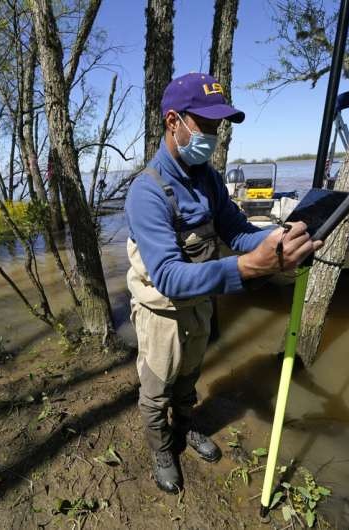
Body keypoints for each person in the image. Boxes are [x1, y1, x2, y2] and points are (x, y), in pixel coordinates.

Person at [124, 73, 321, 494]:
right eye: (206, 124)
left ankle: (187, 426)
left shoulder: (209, 178)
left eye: (218, 126)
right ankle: (162, 448)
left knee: (190, 377)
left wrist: (274, 241)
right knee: (157, 388)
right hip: (162, 313)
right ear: (173, 121)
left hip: (201, 305)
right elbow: (170, 277)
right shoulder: (148, 191)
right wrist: (249, 269)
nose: (214, 135)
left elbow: (237, 230)